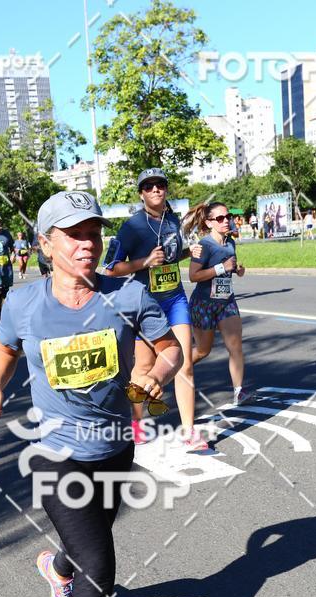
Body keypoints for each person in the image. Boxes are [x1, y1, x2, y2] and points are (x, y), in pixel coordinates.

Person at [0, 191, 182, 597]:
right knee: (99, 562)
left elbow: (171, 349)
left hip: (116, 444)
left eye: (92, 232)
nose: (86, 243)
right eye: (72, 234)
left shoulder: (128, 295)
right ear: (46, 245)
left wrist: (153, 376)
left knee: (87, 546)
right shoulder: (22, 303)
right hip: (54, 452)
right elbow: (3, 346)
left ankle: (54, 568)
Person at [103, 167, 207, 450]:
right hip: (144, 305)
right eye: (148, 187)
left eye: (160, 185)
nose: (155, 190)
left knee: (183, 361)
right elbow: (110, 269)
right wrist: (143, 263)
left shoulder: (172, 221)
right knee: (145, 367)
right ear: (141, 194)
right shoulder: (132, 226)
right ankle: (136, 424)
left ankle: (189, 431)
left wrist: (189, 253)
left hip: (174, 300)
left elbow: (171, 257)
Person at [183, 200, 251, 406]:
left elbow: (230, 265)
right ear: (209, 222)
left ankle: (239, 391)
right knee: (203, 350)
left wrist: (237, 270)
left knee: (235, 346)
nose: (226, 221)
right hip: (203, 304)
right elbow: (193, 276)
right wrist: (222, 268)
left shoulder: (230, 242)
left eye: (228, 217)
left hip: (226, 302)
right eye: (220, 218)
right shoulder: (204, 246)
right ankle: (180, 368)